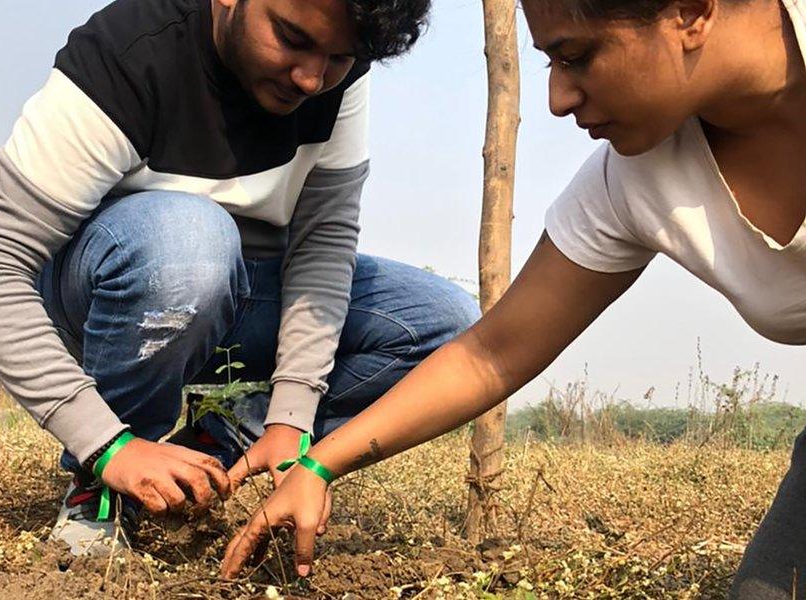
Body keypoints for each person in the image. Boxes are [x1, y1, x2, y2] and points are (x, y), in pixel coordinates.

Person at [220, 0, 806, 596]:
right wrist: (319, 465)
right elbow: (491, 354)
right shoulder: (636, 179)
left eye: (576, 56)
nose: (558, 99)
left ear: (690, 13)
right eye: (549, 62)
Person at [0, 0, 481, 557]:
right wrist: (106, 445)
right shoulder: (132, 53)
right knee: (191, 246)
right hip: (121, 287)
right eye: (292, 38)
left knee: (445, 322)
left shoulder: (334, 79)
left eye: (340, 57)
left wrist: (291, 418)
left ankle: (218, 444)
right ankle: (102, 485)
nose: (311, 78)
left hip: (244, 291)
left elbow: (322, 245)